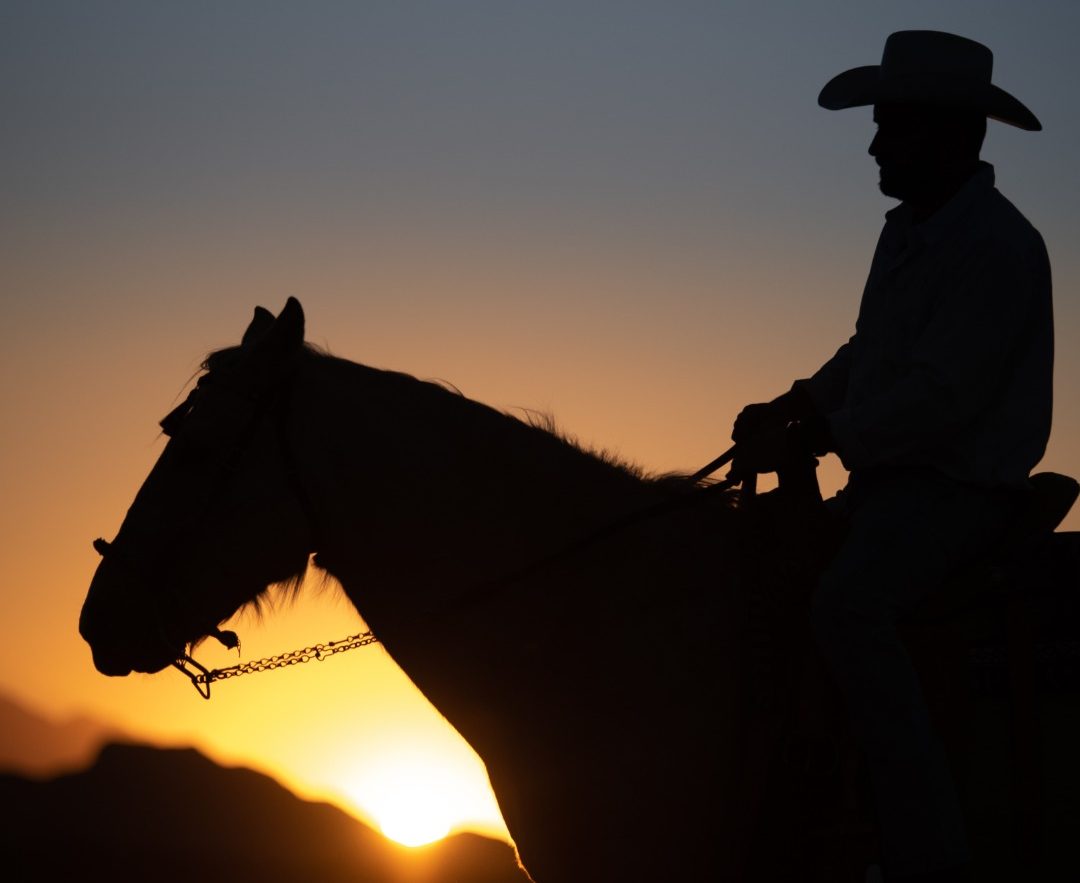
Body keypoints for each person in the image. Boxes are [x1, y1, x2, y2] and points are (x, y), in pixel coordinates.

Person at [731, 31, 1053, 883]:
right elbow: (870, 352)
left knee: (848, 606)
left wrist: (818, 435)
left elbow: (943, 399)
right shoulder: (914, 232)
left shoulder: (998, 247)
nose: (874, 145)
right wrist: (797, 402)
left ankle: (926, 854)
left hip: (956, 490)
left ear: (952, 135)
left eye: (891, 128)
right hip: (892, 485)